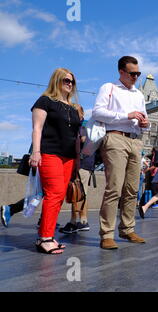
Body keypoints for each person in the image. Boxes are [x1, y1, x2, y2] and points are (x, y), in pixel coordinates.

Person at [92, 56, 149, 250]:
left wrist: (145, 124)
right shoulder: (109, 88)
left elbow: (145, 122)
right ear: (121, 72)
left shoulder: (139, 95)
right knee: (114, 187)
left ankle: (127, 228)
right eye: (132, 73)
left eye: (138, 74)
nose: (136, 77)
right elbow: (97, 113)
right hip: (115, 138)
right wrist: (126, 115)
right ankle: (107, 234)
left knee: (132, 189)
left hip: (135, 140)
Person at [30, 68, 82, 254]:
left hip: (69, 157)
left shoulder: (73, 108)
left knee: (59, 197)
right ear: (56, 81)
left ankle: (48, 235)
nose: (69, 84)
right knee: (54, 193)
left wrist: (77, 160)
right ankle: (44, 238)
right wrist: (36, 152)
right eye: (66, 80)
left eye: (72, 82)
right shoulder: (45, 101)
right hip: (50, 153)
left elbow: (76, 136)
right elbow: (37, 128)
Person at [59, 115, 96, 234]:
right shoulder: (87, 125)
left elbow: (82, 141)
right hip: (87, 164)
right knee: (82, 193)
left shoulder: (81, 126)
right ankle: (83, 221)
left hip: (81, 164)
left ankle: (74, 222)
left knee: (77, 193)